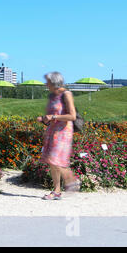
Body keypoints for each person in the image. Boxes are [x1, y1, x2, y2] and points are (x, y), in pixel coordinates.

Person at [36, 72, 81, 200]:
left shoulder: (66, 94)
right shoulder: (52, 96)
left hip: (63, 132)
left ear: (55, 83)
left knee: (54, 159)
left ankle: (71, 180)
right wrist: (44, 119)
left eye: (48, 82)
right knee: (51, 161)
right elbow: (51, 115)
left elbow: (72, 116)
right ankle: (56, 191)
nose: (46, 84)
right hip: (52, 131)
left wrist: (54, 117)